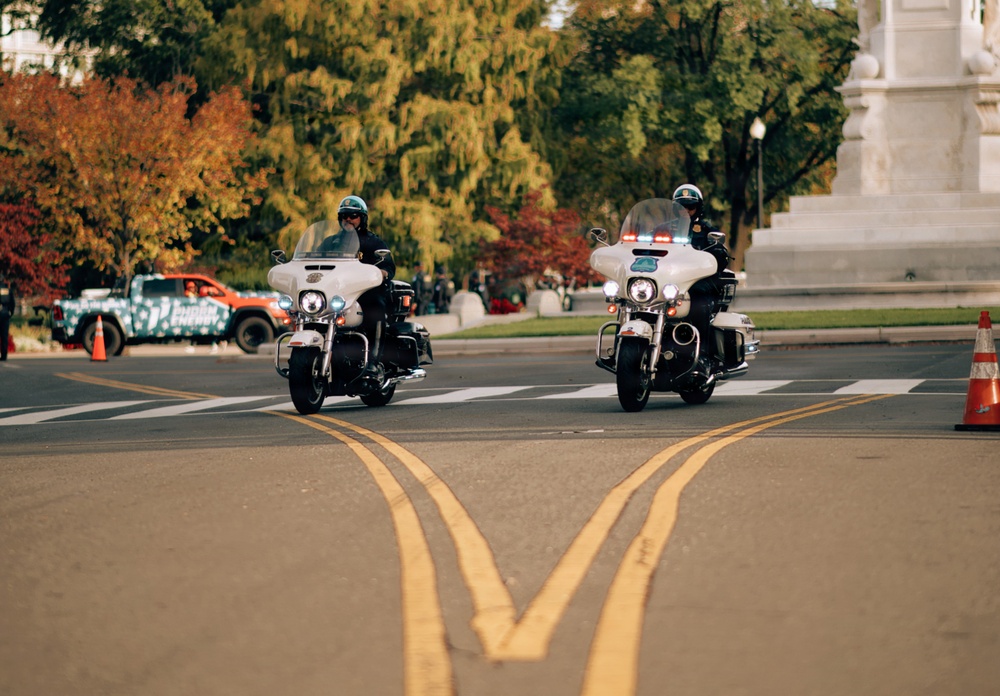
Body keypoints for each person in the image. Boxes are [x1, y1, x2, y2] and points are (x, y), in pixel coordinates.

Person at [672, 184, 732, 365]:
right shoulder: (664, 229)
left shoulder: (706, 230)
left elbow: (721, 256)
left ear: (698, 208)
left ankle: (703, 354)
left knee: (698, 300)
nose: (686, 211)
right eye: (682, 207)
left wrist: (715, 251)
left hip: (696, 281)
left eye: (690, 207)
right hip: (668, 280)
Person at [336, 195, 396, 377]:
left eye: (353, 215)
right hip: (337, 293)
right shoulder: (332, 242)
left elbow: (388, 266)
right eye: (344, 215)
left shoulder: (372, 241)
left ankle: (374, 361)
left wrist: (382, 272)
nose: (348, 219)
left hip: (364, 293)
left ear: (362, 218)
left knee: (375, 306)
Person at [0, 275, 15, 361]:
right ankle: (4, 355)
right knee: (4, 336)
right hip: (5, 314)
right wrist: (10, 313)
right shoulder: (7, 290)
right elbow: (12, 303)